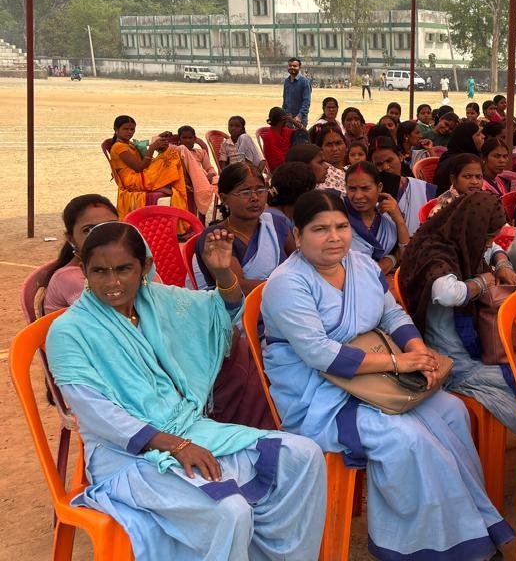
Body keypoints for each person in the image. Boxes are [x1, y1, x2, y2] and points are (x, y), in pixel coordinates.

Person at [47, 222, 326, 561]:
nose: (113, 282)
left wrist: (223, 273)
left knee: (304, 455)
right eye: (100, 272)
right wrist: (176, 445)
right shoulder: (68, 331)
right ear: (84, 270)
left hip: (189, 429)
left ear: (145, 268)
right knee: (230, 511)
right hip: (124, 455)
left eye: (124, 269)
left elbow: (218, 313)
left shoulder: (157, 301)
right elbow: (96, 413)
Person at [259, 190, 512, 559]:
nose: (334, 237)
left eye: (342, 226)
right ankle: (422, 549)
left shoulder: (361, 264)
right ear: (297, 236)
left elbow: (391, 313)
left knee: (453, 413)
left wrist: (416, 349)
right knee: (408, 438)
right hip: (317, 394)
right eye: (320, 229)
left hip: (374, 379)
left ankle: (469, 530)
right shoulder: (287, 282)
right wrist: (399, 364)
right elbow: (319, 353)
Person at [399, 192, 516, 443]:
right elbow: (448, 294)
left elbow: (493, 249)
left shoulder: (460, 235)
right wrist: (482, 282)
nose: (487, 243)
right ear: (472, 228)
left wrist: (503, 264)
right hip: (453, 359)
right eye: (487, 236)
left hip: (473, 346)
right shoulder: (435, 253)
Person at [191, 163, 293, 294]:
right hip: (241, 310)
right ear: (224, 198)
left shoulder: (276, 223)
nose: (255, 198)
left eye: (260, 190)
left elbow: (299, 262)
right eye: (245, 192)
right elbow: (238, 288)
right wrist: (289, 286)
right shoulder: (216, 237)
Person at [40, 194, 121, 315]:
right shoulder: (71, 279)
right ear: (71, 239)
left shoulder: (119, 264)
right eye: (88, 230)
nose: (104, 236)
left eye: (111, 226)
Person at [107, 115, 190, 218]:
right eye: (125, 129)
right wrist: (152, 149)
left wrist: (159, 141)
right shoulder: (119, 147)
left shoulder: (129, 144)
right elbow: (139, 167)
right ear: (116, 129)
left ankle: (164, 185)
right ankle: (163, 186)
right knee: (172, 155)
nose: (129, 132)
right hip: (132, 181)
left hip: (139, 174)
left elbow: (143, 145)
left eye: (132, 129)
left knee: (171, 153)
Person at [344, 161, 411, 274]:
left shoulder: (387, 217)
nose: (358, 196)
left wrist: (399, 221)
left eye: (365, 188)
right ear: (345, 188)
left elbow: (407, 256)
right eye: (352, 189)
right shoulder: (338, 218)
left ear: (379, 187)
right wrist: (390, 261)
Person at [370, 137, 436, 235]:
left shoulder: (424, 190)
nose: (385, 167)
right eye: (379, 164)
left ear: (400, 157)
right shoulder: (371, 195)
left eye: (389, 161)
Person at [309, 122, 349, 191]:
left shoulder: (349, 169)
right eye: (329, 145)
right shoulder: (322, 175)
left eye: (338, 143)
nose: (335, 149)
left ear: (346, 146)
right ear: (320, 149)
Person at [282, 57, 312, 126]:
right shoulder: (287, 81)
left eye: (295, 66)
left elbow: (306, 102)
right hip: (288, 119)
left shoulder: (305, 82)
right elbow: (285, 100)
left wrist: (299, 116)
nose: (292, 67)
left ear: (299, 67)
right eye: (290, 66)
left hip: (299, 120)